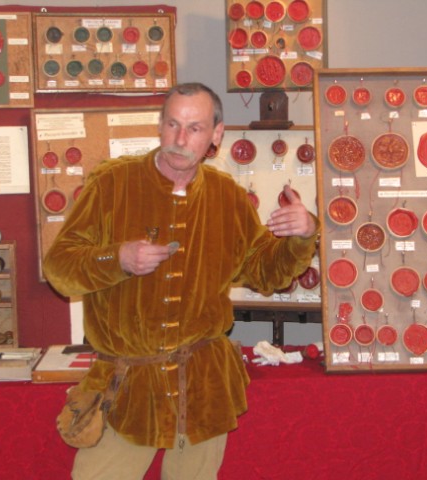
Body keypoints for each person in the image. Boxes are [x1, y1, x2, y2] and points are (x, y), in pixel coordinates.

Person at [43, 82, 319, 479]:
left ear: (216, 135)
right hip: (127, 386)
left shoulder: (227, 197)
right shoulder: (111, 185)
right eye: (172, 124)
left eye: (195, 128)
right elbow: (59, 268)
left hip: (203, 387)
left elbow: (266, 272)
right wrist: (117, 258)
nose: (180, 139)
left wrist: (303, 236)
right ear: (160, 126)